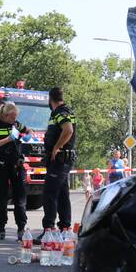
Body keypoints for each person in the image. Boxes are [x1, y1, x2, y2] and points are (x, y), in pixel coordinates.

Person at [0, 101, 30, 241]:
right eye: (12, 116)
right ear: (5, 115)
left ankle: (21, 229)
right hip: (1, 166)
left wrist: (28, 134)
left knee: (20, 199)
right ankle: (1, 229)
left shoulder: (16, 124)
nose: (14, 119)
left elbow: (28, 130)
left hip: (17, 165)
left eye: (16, 116)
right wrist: (8, 139)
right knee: (2, 198)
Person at [42, 86, 76, 236]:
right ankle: (64, 228)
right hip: (62, 159)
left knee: (49, 193)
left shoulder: (60, 112)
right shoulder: (65, 111)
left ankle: (49, 229)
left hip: (59, 159)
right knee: (62, 194)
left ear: (50, 99)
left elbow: (68, 130)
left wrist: (56, 147)